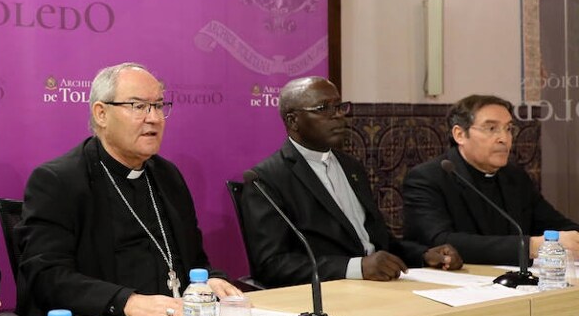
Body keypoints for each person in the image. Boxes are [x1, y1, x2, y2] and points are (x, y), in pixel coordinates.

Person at [17, 62, 240, 316]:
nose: (154, 118)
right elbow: (47, 277)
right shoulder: (59, 181)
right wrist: (127, 302)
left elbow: (194, 259)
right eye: (138, 106)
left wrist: (210, 279)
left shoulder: (168, 176)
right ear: (101, 114)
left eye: (158, 106)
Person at [241, 77, 461, 288]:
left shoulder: (351, 167)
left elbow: (379, 242)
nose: (337, 116)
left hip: (380, 287)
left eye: (339, 107)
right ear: (293, 121)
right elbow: (271, 265)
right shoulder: (266, 179)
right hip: (331, 294)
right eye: (323, 108)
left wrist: (424, 255)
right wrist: (356, 268)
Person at [402, 94, 579, 264]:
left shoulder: (515, 177)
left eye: (508, 129)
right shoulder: (427, 178)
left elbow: (556, 224)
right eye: (492, 128)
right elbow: (440, 242)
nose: (504, 139)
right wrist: (530, 246)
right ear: (460, 135)